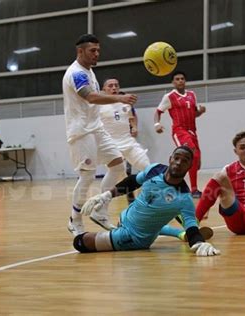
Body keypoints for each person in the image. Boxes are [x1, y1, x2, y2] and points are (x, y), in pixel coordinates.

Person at [72, 146, 220, 256]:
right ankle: (179, 234)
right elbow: (132, 181)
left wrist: (199, 243)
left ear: (189, 166)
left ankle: (180, 234)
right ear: (170, 159)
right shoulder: (154, 170)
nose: (179, 162)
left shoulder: (184, 198)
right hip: (124, 218)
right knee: (154, 221)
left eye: (185, 161)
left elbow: (192, 227)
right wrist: (105, 196)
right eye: (176, 157)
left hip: (132, 237)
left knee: (80, 242)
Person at [62, 34, 137, 236]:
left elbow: (97, 95)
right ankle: (75, 220)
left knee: (118, 165)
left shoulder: (89, 71)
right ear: (80, 51)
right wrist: (119, 98)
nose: (97, 54)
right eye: (92, 50)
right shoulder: (76, 73)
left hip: (96, 128)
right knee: (87, 176)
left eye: (98, 50)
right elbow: (92, 97)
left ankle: (100, 211)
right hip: (81, 132)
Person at [153, 71, 205, 198]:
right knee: (191, 152)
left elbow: (194, 114)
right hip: (179, 131)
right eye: (177, 79)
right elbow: (158, 112)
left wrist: (200, 112)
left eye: (182, 78)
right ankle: (193, 190)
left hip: (192, 131)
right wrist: (157, 124)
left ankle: (171, 182)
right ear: (173, 82)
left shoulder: (192, 95)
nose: (180, 81)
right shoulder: (169, 97)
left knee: (195, 161)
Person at [99, 78, 151, 203]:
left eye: (116, 85)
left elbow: (132, 118)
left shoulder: (125, 103)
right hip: (112, 146)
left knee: (149, 169)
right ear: (104, 90)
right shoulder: (98, 106)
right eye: (110, 86)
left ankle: (149, 200)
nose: (114, 88)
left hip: (129, 143)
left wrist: (134, 127)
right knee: (119, 173)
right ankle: (102, 203)